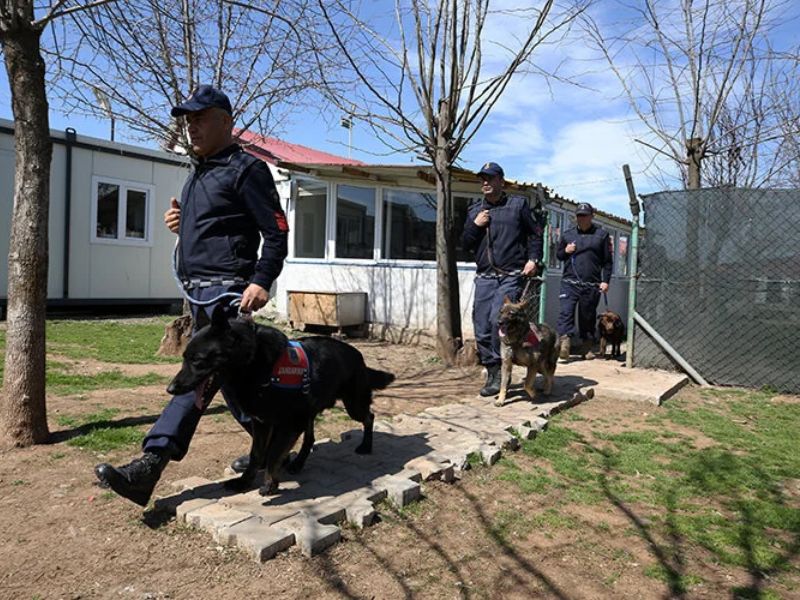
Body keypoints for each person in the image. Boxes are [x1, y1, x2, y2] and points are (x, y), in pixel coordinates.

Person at [94, 85, 289, 506]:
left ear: (225, 120)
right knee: (236, 388)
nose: (191, 126)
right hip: (198, 297)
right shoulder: (199, 172)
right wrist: (182, 224)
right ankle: (276, 446)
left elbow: (276, 232)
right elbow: (218, 226)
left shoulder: (246, 169)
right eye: (187, 120)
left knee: (197, 380)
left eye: (200, 118)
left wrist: (261, 280)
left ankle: (150, 464)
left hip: (228, 298)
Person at [462, 162, 544, 397]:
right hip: (485, 277)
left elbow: (535, 234)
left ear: (501, 181)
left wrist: (533, 259)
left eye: (490, 178)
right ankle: (494, 372)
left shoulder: (518, 205)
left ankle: (506, 368)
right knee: (480, 326)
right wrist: (476, 226)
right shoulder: (474, 211)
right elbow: (465, 243)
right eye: (482, 179)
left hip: (510, 275)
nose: (485, 183)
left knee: (495, 319)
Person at [555, 202, 613, 360]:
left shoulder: (601, 235)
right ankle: (564, 342)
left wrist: (605, 281)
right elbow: (558, 255)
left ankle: (586, 347)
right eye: (579, 216)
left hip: (591, 284)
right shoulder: (568, 235)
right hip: (569, 283)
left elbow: (607, 262)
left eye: (584, 216)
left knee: (587, 316)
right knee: (565, 313)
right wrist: (566, 251)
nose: (581, 219)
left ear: (591, 216)